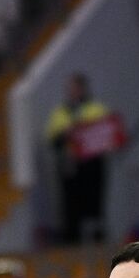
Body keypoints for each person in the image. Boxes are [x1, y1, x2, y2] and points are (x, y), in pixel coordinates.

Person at [45, 73, 111, 243]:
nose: (72, 92)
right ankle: (72, 239)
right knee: (70, 204)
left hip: (92, 165)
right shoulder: (60, 112)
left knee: (94, 200)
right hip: (70, 165)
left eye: (75, 88)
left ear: (82, 89)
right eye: (69, 89)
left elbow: (107, 133)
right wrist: (67, 134)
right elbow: (52, 138)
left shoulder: (96, 108)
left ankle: (97, 237)